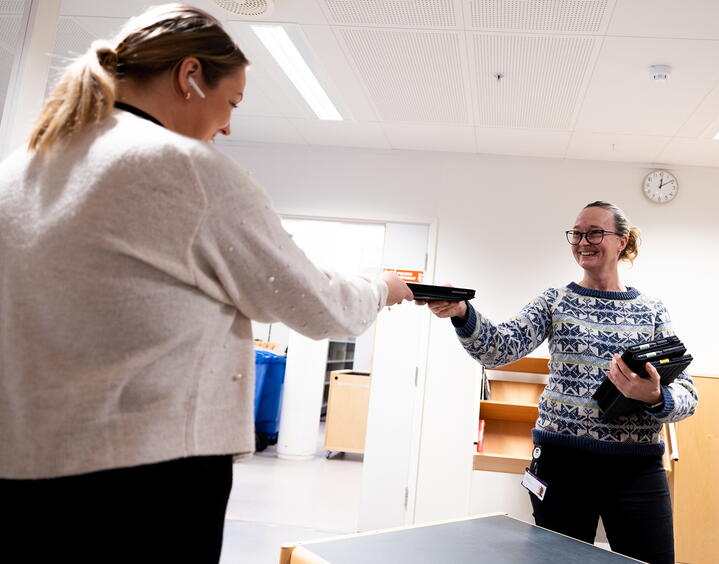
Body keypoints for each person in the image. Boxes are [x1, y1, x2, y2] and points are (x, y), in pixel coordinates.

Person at [0, 4, 413, 563]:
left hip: (25, 460)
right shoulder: (186, 169)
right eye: (232, 102)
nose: (229, 125)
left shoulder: (23, 166)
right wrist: (384, 287)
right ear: (190, 76)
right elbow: (316, 304)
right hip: (145, 479)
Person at [421, 201, 697, 564]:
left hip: (636, 470)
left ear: (621, 241)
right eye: (577, 233)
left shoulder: (652, 309)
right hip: (562, 467)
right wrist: (462, 313)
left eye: (595, 232)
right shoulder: (555, 301)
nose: (584, 241)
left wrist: (654, 395)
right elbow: (497, 349)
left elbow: (688, 396)